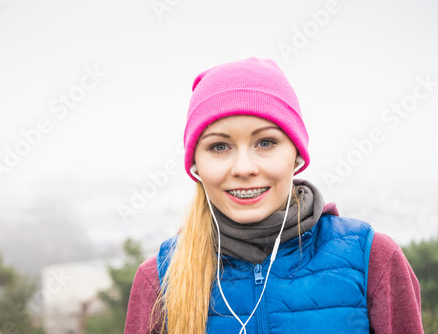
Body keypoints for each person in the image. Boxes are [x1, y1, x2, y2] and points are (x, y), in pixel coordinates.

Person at [124, 57, 423, 333]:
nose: (244, 168)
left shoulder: (372, 258)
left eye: (265, 142)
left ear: (296, 154)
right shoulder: (159, 279)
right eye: (219, 147)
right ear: (195, 165)